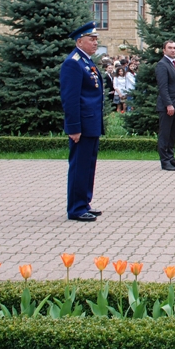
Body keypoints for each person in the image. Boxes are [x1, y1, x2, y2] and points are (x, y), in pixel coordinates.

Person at [59, 21, 105, 222]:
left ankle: (84, 202)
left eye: (96, 39)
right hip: (82, 125)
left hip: (91, 123)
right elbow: (70, 98)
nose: (95, 43)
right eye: (91, 39)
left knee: (88, 165)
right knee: (79, 165)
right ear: (80, 41)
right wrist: (74, 128)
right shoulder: (73, 63)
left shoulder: (86, 61)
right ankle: (76, 208)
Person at [155, 40, 175, 171]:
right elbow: (163, 87)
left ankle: (171, 158)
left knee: (173, 133)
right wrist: (168, 104)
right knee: (165, 134)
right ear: (164, 50)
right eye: (170, 48)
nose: (173, 50)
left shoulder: (174, 63)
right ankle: (165, 161)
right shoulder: (162, 65)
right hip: (168, 106)